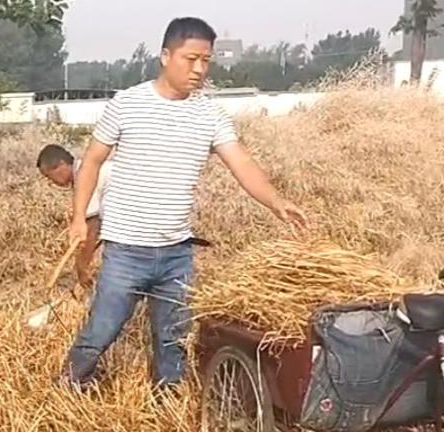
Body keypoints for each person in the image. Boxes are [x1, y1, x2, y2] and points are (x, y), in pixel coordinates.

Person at [61, 17, 307, 393]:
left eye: (206, 61)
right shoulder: (127, 104)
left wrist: (277, 203)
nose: (199, 69)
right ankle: (71, 383)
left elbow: (240, 161)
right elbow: (91, 160)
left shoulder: (208, 114)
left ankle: (168, 397)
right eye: (190, 58)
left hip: (176, 251)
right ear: (165, 56)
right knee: (104, 327)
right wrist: (79, 217)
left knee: (173, 337)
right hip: (127, 249)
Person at [37, 144, 115, 288]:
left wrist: (82, 266)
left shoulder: (84, 176)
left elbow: (91, 227)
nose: (51, 181)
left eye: (49, 175)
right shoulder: (95, 169)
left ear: (61, 165)